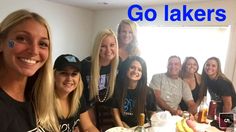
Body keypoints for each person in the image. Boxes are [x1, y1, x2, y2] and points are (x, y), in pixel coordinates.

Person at [0, 9, 59, 131]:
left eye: (42, 44)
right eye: (21, 38)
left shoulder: (39, 95)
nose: (34, 51)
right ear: (2, 42)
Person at [80, 29, 119, 131]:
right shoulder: (85, 65)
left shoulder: (118, 65)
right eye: (103, 46)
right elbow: (81, 98)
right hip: (86, 107)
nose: (108, 50)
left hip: (106, 109)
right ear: (97, 47)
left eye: (112, 45)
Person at [53, 54, 99, 132]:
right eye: (64, 73)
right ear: (54, 75)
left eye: (74, 74)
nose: (69, 79)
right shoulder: (45, 100)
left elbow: (88, 127)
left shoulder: (78, 97)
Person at [112, 56, 157, 127]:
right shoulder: (117, 89)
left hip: (141, 127)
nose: (135, 71)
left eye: (139, 70)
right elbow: (115, 114)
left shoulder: (149, 92)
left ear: (143, 74)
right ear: (126, 69)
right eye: (132, 67)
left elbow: (152, 113)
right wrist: (123, 129)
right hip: (122, 127)